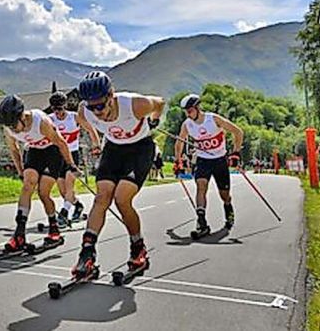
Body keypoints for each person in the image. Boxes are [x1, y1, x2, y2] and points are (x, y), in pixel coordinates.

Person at [72, 71, 165, 279]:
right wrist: (95, 141)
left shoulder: (135, 105)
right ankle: (87, 253)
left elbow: (160, 102)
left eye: (100, 106)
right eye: (91, 107)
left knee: (122, 199)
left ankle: (138, 247)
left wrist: (154, 121)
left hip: (140, 149)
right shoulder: (85, 111)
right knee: (101, 197)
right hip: (114, 149)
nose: (97, 112)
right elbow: (84, 121)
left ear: (111, 95)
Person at [0, 94, 78, 250]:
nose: (13, 129)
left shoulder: (40, 121)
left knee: (43, 192)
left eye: (14, 125)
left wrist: (71, 164)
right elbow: (14, 150)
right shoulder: (8, 128)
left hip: (53, 152)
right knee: (27, 185)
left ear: (22, 116)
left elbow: (61, 143)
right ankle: (19, 233)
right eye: (9, 126)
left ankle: (54, 228)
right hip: (35, 151)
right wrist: (20, 171)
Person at [174, 93, 244, 236]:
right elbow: (179, 143)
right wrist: (177, 161)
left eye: (190, 110)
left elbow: (238, 132)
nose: (188, 114)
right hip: (203, 160)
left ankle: (228, 208)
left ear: (197, 108)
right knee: (201, 186)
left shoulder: (213, 119)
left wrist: (236, 153)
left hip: (220, 160)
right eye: (186, 111)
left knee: (224, 195)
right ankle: (201, 222)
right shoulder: (187, 124)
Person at [47, 91, 97, 227]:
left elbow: (91, 129)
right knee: (63, 192)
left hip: (72, 155)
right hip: (57, 157)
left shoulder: (74, 117)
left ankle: (64, 213)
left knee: (69, 186)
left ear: (65, 106)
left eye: (60, 109)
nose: (58, 113)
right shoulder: (49, 119)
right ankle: (78, 205)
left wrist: (96, 145)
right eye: (55, 110)